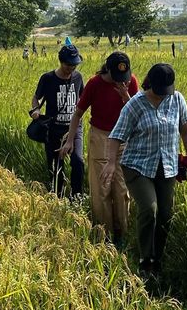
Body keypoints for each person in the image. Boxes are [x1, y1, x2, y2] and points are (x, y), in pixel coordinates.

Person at [101, 63, 187, 279]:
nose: (164, 95)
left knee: (166, 215)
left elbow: (186, 131)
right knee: (149, 208)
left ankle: (158, 259)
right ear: (151, 84)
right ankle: (145, 260)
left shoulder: (177, 99)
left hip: (167, 166)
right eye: (160, 90)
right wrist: (110, 163)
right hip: (137, 165)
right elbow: (116, 136)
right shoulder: (135, 105)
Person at [60, 51, 139, 246]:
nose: (120, 81)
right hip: (100, 137)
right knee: (101, 189)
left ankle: (122, 234)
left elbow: (138, 114)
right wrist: (70, 141)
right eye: (116, 77)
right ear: (108, 69)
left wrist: (125, 96)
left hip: (123, 139)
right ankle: (104, 235)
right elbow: (78, 114)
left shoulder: (131, 82)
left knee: (121, 189)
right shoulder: (95, 84)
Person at [30, 44, 84, 198]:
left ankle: (77, 197)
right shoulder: (48, 78)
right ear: (61, 62)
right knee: (55, 166)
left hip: (74, 129)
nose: (71, 68)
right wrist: (36, 110)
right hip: (53, 129)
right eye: (68, 65)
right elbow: (36, 98)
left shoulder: (78, 77)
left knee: (78, 162)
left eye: (74, 65)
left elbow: (83, 98)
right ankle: (57, 197)